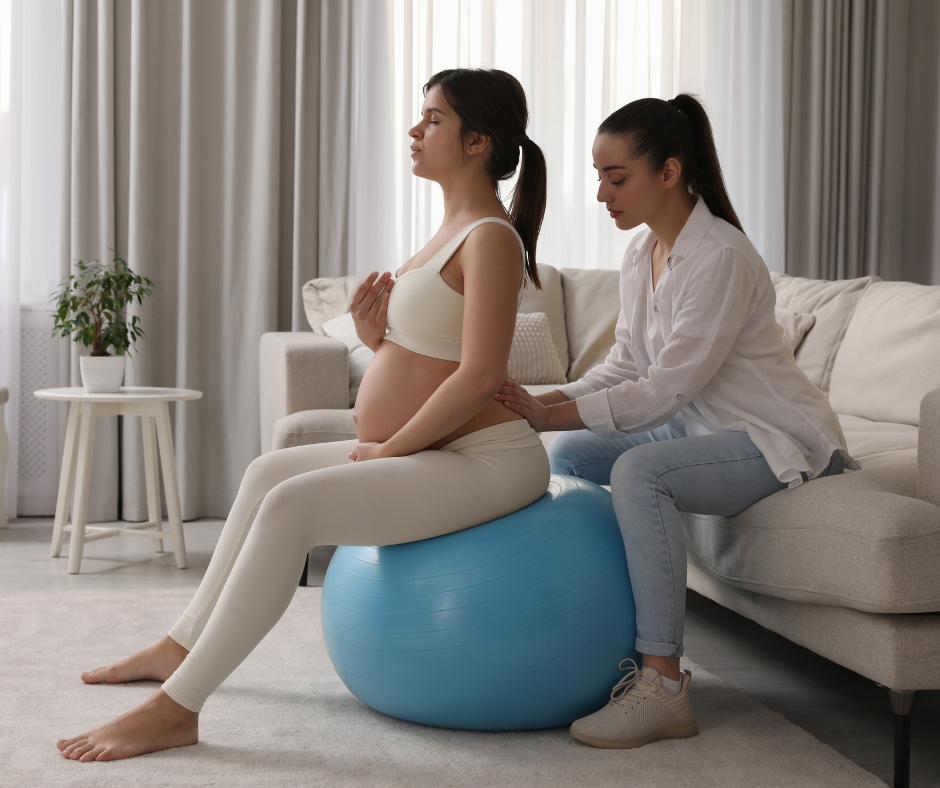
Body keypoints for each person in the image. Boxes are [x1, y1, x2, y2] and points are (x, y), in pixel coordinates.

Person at [57, 68, 550, 762]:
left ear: (478, 141)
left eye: (433, 119)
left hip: (488, 461)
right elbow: (430, 354)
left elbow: (481, 374)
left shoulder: (492, 237)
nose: (415, 130)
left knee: (291, 508)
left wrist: (393, 447)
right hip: (433, 452)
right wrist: (377, 337)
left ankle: (179, 707)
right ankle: (180, 645)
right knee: (265, 474)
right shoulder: (448, 230)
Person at [495, 94, 856, 750]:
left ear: (668, 171)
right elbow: (625, 365)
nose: (601, 193)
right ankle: (601, 634)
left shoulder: (720, 257)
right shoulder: (642, 255)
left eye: (616, 176)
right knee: (573, 452)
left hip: (771, 436)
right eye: (598, 176)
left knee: (639, 472)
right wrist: (546, 403)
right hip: (700, 427)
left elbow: (663, 390)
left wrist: (550, 409)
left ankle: (662, 683)